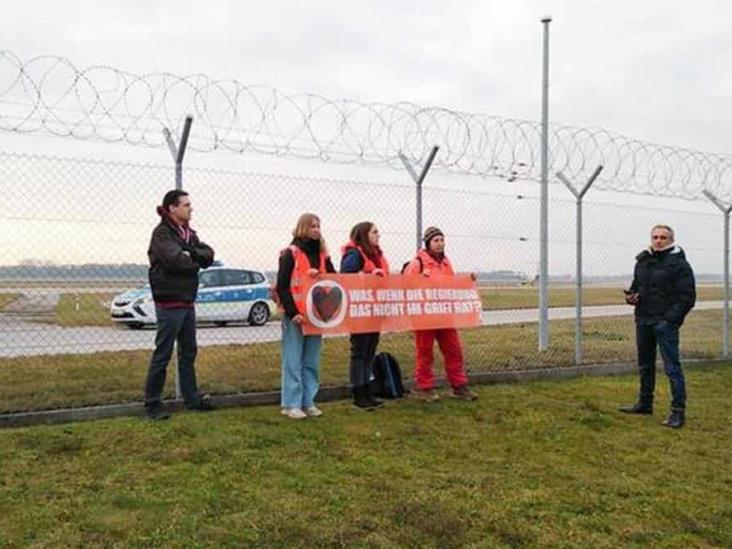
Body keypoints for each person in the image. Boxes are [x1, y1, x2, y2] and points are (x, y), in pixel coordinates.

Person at [144, 190, 216, 420]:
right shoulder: (162, 234)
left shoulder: (188, 234)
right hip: (169, 302)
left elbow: (209, 255)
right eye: (185, 205)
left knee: (188, 352)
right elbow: (176, 261)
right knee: (163, 353)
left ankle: (191, 397)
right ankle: (153, 404)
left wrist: (190, 252)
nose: (190, 208)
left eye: (189, 204)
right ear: (172, 208)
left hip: (187, 300)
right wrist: (192, 258)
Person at [621, 224, 696, 429]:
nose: (658, 240)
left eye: (663, 237)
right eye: (655, 237)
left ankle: (678, 411)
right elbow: (638, 287)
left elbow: (687, 297)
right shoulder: (643, 261)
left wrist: (669, 321)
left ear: (671, 240)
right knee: (645, 365)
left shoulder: (679, 265)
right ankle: (645, 403)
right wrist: (632, 297)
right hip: (643, 320)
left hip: (664, 323)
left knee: (672, 367)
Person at [404, 226, 478, 402]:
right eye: (436, 240)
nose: (440, 244)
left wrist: (468, 280)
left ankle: (459, 385)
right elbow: (407, 285)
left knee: (453, 350)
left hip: (444, 316)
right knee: (425, 353)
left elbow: (452, 284)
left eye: (442, 240)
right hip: (424, 317)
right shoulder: (417, 264)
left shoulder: (446, 263)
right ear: (428, 242)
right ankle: (425, 387)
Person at [277, 213, 336, 419]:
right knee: (293, 360)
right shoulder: (290, 254)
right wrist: (293, 313)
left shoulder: (321, 255)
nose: (317, 230)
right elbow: (283, 286)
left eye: (319, 226)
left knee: (311, 360)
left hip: (316, 315)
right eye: (313, 226)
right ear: (303, 228)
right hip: (296, 316)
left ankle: (308, 400)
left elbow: (334, 280)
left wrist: (326, 264)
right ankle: (291, 403)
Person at [341, 222, 389, 411]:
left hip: (374, 309)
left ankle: (367, 389)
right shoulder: (354, 254)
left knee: (370, 350)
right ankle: (358, 391)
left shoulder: (376, 255)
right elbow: (346, 277)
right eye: (375, 232)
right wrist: (368, 275)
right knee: (359, 351)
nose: (379, 235)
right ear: (364, 234)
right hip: (360, 310)